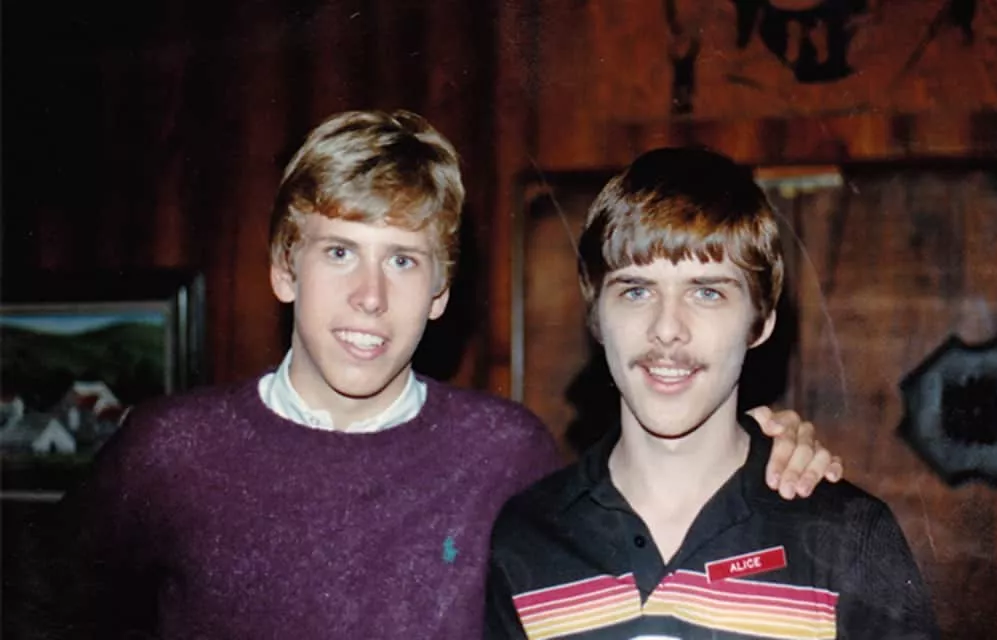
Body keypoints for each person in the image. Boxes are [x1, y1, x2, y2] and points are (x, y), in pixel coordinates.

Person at [39, 112, 842, 639]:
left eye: (403, 260)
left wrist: (764, 445)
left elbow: (637, 529)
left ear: (440, 291)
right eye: (339, 251)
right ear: (285, 268)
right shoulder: (171, 450)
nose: (369, 295)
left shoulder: (504, 453)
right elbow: (38, 609)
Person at [484, 147, 939, 639]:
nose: (667, 328)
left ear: (760, 322)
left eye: (707, 292)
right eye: (636, 290)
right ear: (596, 315)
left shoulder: (849, 537)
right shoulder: (527, 535)